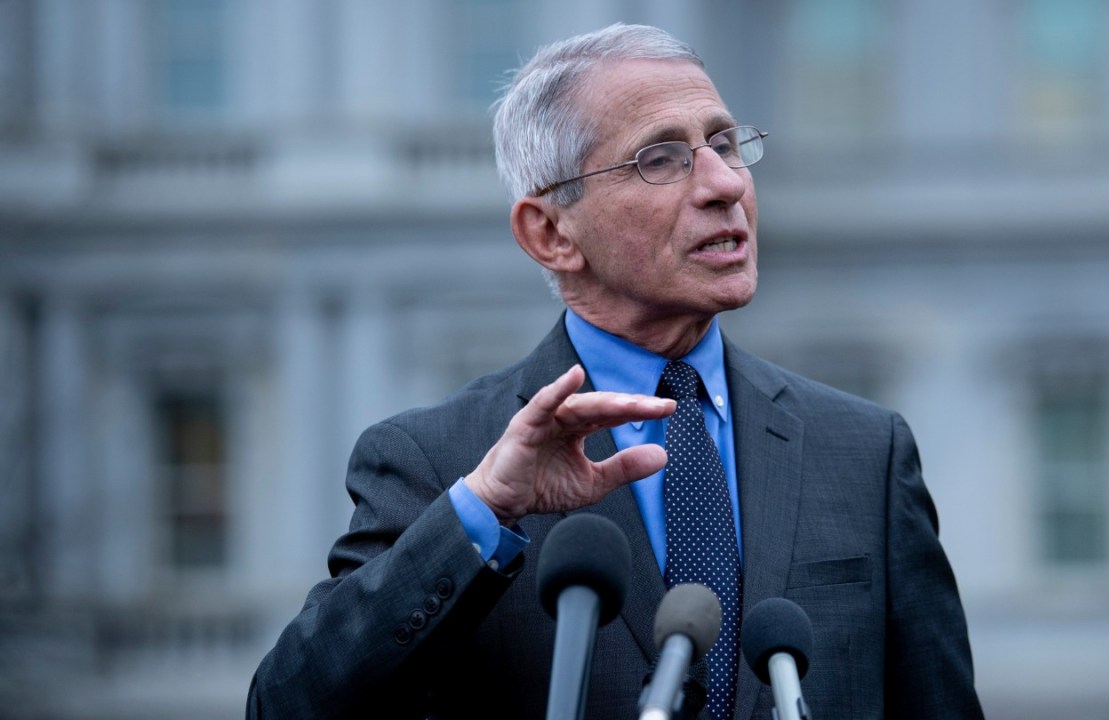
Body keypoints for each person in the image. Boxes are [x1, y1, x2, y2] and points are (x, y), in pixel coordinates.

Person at [247, 23, 983, 720]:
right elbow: (288, 704)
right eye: (661, 158)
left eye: (725, 143)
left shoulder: (865, 453)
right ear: (551, 231)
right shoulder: (437, 463)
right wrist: (482, 511)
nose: (724, 183)